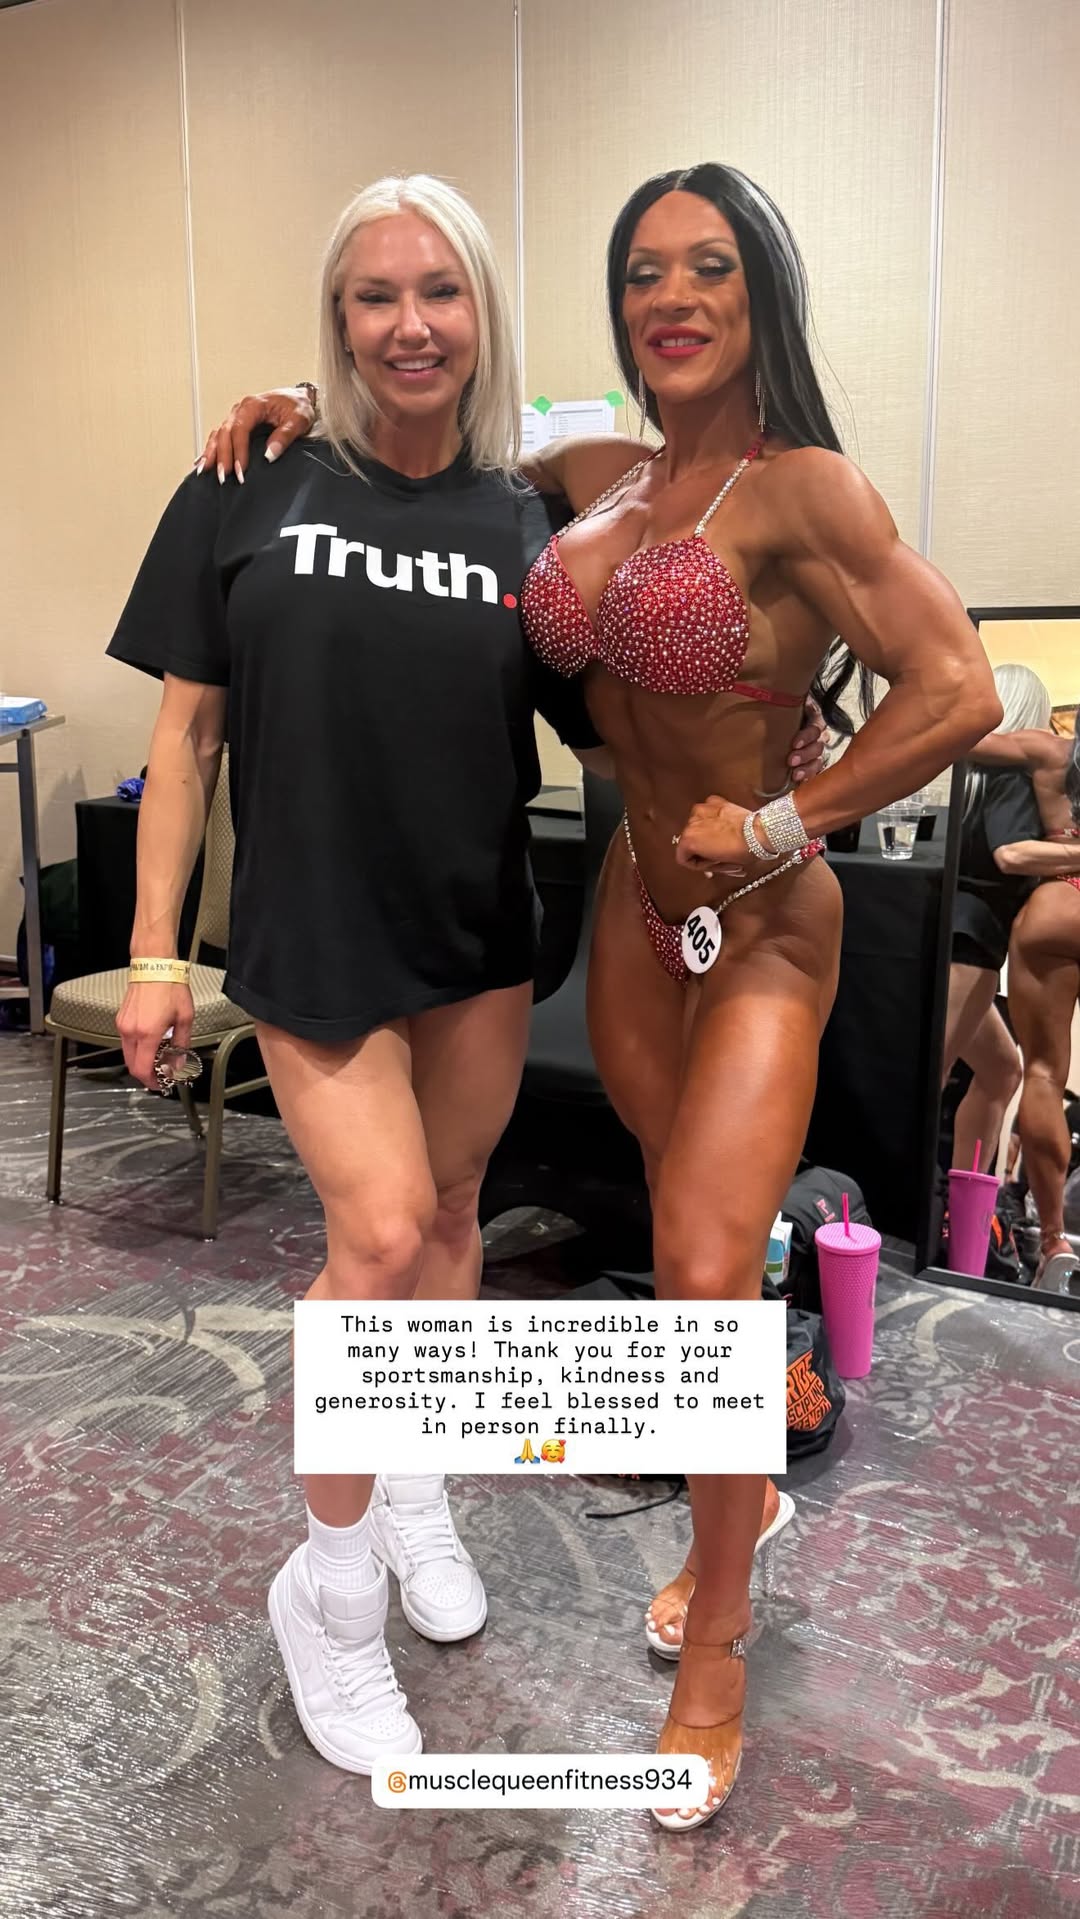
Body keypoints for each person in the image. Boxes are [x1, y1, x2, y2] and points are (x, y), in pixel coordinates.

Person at [110, 173, 824, 1792]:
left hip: (474, 931)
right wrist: (155, 948)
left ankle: (413, 1487)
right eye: (375, 295)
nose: (409, 324)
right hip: (313, 932)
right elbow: (186, 735)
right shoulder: (250, 479)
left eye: (440, 292)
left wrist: (773, 761)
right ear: (336, 315)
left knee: (448, 1221)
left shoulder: (527, 517)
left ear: (483, 312)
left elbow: (662, 577)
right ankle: (329, 1591)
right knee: (372, 1239)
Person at [941, 665, 1054, 1178]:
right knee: (933, 1075)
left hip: (958, 930)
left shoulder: (969, 775)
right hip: (973, 940)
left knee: (1002, 1070)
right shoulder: (1014, 777)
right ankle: (910, 1206)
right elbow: (1011, 854)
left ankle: (965, 1206)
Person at [1004, 709, 1080, 1290]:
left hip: (1059, 903)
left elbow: (957, 730)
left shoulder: (1053, 752)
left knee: (1045, 1075)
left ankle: (1053, 1239)